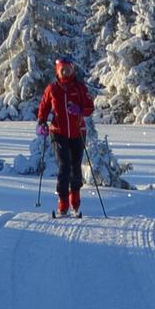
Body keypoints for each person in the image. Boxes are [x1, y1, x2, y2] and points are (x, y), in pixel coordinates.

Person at [36, 57, 96, 218]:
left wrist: (80, 110)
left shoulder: (80, 88)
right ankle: (63, 203)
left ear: (72, 69)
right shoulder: (52, 89)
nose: (65, 72)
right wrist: (41, 122)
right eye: (62, 69)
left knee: (75, 167)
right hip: (58, 132)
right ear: (58, 70)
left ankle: (75, 201)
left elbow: (90, 107)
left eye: (68, 69)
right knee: (64, 166)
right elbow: (44, 106)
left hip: (78, 132)